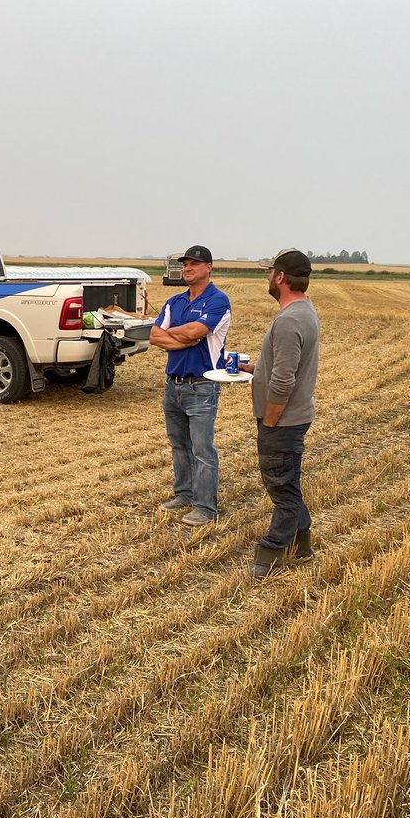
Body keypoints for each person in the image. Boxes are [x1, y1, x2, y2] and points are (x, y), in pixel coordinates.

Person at [238, 249, 320, 577]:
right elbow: (284, 367)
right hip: (294, 419)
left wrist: (270, 421)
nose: (267, 277)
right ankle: (302, 546)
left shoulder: (288, 321)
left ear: (281, 277)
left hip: (282, 422)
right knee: (290, 484)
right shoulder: (305, 312)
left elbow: (284, 381)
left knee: (281, 490)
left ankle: (270, 554)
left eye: (269, 271)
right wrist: (255, 369)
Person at [149, 245, 231, 526]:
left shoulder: (218, 301)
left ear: (208, 267)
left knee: (202, 449)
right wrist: (182, 337)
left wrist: (174, 333)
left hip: (202, 386)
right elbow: (154, 336)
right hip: (173, 385)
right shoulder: (175, 301)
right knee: (179, 446)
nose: (187, 268)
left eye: (194, 264)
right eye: (185, 264)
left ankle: (206, 507)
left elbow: (197, 332)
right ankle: (184, 494)